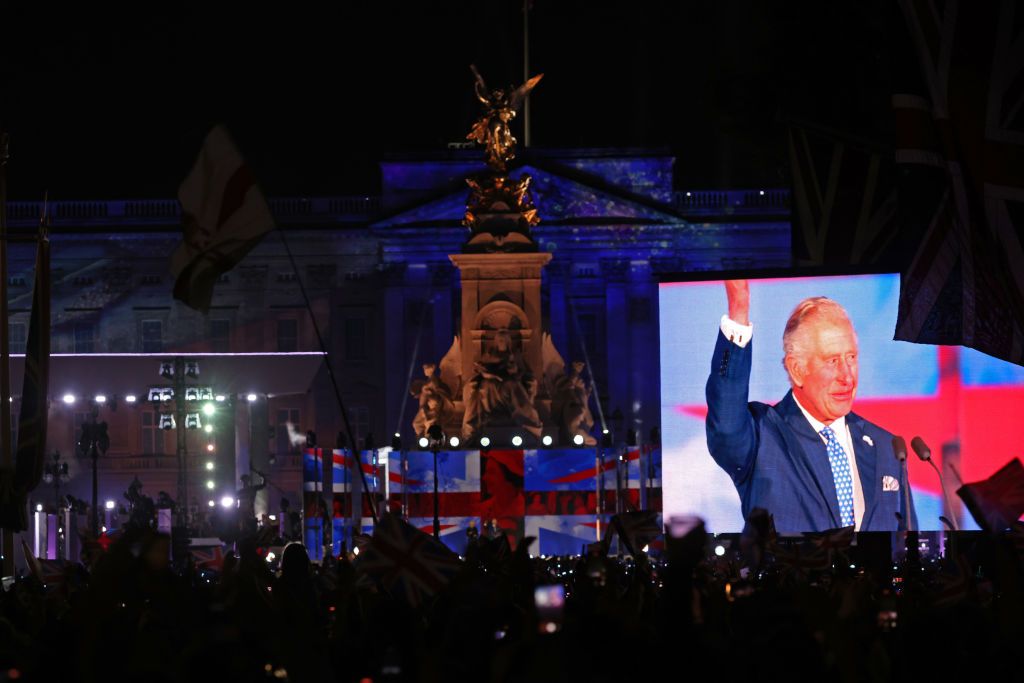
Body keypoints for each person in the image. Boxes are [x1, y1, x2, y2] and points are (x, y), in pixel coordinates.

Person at [705, 280, 917, 532]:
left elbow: (909, 541)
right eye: (832, 361)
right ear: (797, 370)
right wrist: (738, 313)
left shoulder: (887, 448)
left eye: (851, 358)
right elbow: (726, 423)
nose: (847, 376)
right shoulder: (763, 436)